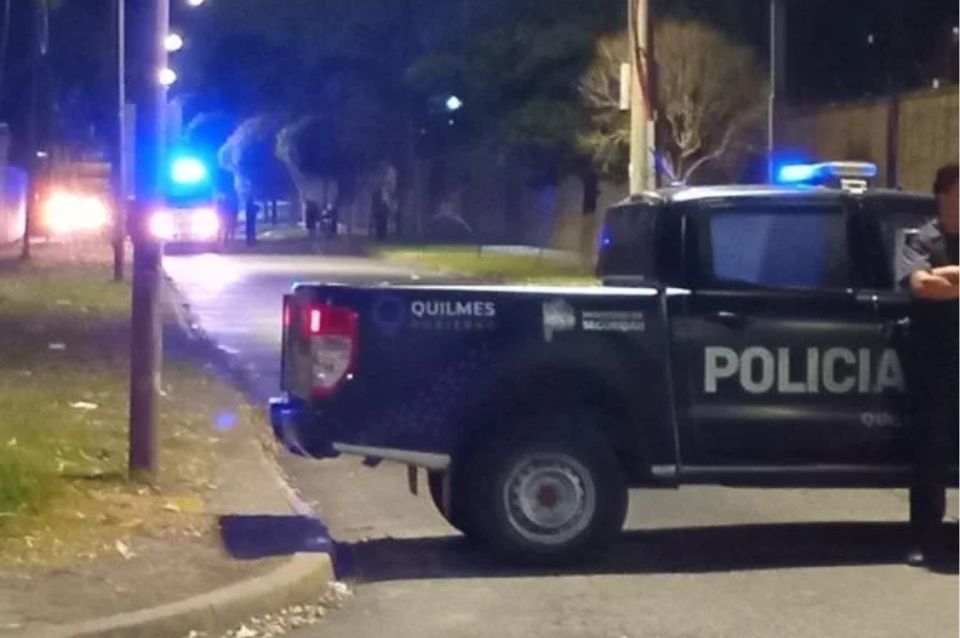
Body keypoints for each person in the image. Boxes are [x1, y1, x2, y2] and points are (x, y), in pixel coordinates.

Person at [897, 163, 959, 567]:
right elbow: (922, 285)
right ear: (945, 196)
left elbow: (938, 282)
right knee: (931, 455)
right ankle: (926, 540)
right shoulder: (921, 239)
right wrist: (941, 279)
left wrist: (949, 276)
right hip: (935, 361)